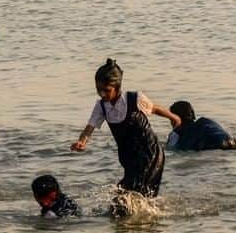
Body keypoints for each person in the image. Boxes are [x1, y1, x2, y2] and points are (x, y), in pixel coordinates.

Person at [70, 59, 180, 199]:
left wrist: (173, 117)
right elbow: (89, 128)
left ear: (117, 86)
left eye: (106, 90)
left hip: (150, 154)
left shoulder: (134, 99)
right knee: (124, 197)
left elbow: (155, 109)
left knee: (136, 196)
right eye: (98, 90)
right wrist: (82, 142)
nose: (102, 94)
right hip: (128, 158)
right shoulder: (101, 106)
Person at [165, 101, 236, 151]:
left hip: (214, 147)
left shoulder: (177, 132)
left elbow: (171, 149)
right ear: (193, 114)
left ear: (174, 119)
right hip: (231, 142)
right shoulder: (206, 121)